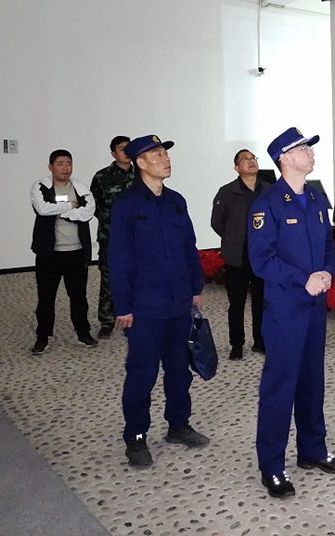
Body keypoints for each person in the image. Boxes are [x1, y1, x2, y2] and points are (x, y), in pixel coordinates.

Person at [248, 127, 335, 498]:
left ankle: (312, 448)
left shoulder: (316, 197)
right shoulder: (267, 203)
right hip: (285, 309)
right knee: (280, 386)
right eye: (304, 149)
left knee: (312, 380)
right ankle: (272, 466)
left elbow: (329, 245)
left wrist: (327, 273)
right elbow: (261, 259)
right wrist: (303, 279)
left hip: (315, 306)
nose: (311, 153)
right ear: (285, 158)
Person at [108, 134, 209, 468]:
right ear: (141, 163)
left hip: (178, 302)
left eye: (166, 154)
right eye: (158, 155)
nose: (166, 159)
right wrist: (122, 306)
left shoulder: (176, 201)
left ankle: (178, 425)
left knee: (179, 369)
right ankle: (136, 436)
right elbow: (118, 258)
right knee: (142, 373)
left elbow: (189, 247)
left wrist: (195, 287)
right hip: (145, 307)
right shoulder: (126, 205)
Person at [29, 149, 98, 355]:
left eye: (68, 163)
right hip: (49, 253)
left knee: (79, 297)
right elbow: (42, 209)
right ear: (51, 167)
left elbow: (88, 211)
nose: (65, 167)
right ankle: (43, 336)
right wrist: (70, 205)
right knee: (46, 297)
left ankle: (83, 332)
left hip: (76, 252)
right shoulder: (41, 187)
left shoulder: (80, 188)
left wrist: (64, 211)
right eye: (60, 163)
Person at [210, 149, 270, 360]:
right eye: (245, 159)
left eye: (253, 158)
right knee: (237, 302)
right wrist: (231, 238)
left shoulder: (269, 190)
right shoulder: (227, 192)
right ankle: (237, 343)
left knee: (261, 301)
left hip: (262, 255)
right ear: (237, 168)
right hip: (237, 255)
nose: (251, 161)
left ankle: (260, 341)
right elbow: (217, 222)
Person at [90, 135, 135, 338]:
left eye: (128, 148)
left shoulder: (142, 174)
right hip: (110, 236)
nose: (126, 152)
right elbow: (94, 206)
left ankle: (136, 315)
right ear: (113, 153)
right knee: (109, 277)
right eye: (121, 148)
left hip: (137, 237)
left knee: (138, 276)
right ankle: (107, 320)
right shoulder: (102, 177)